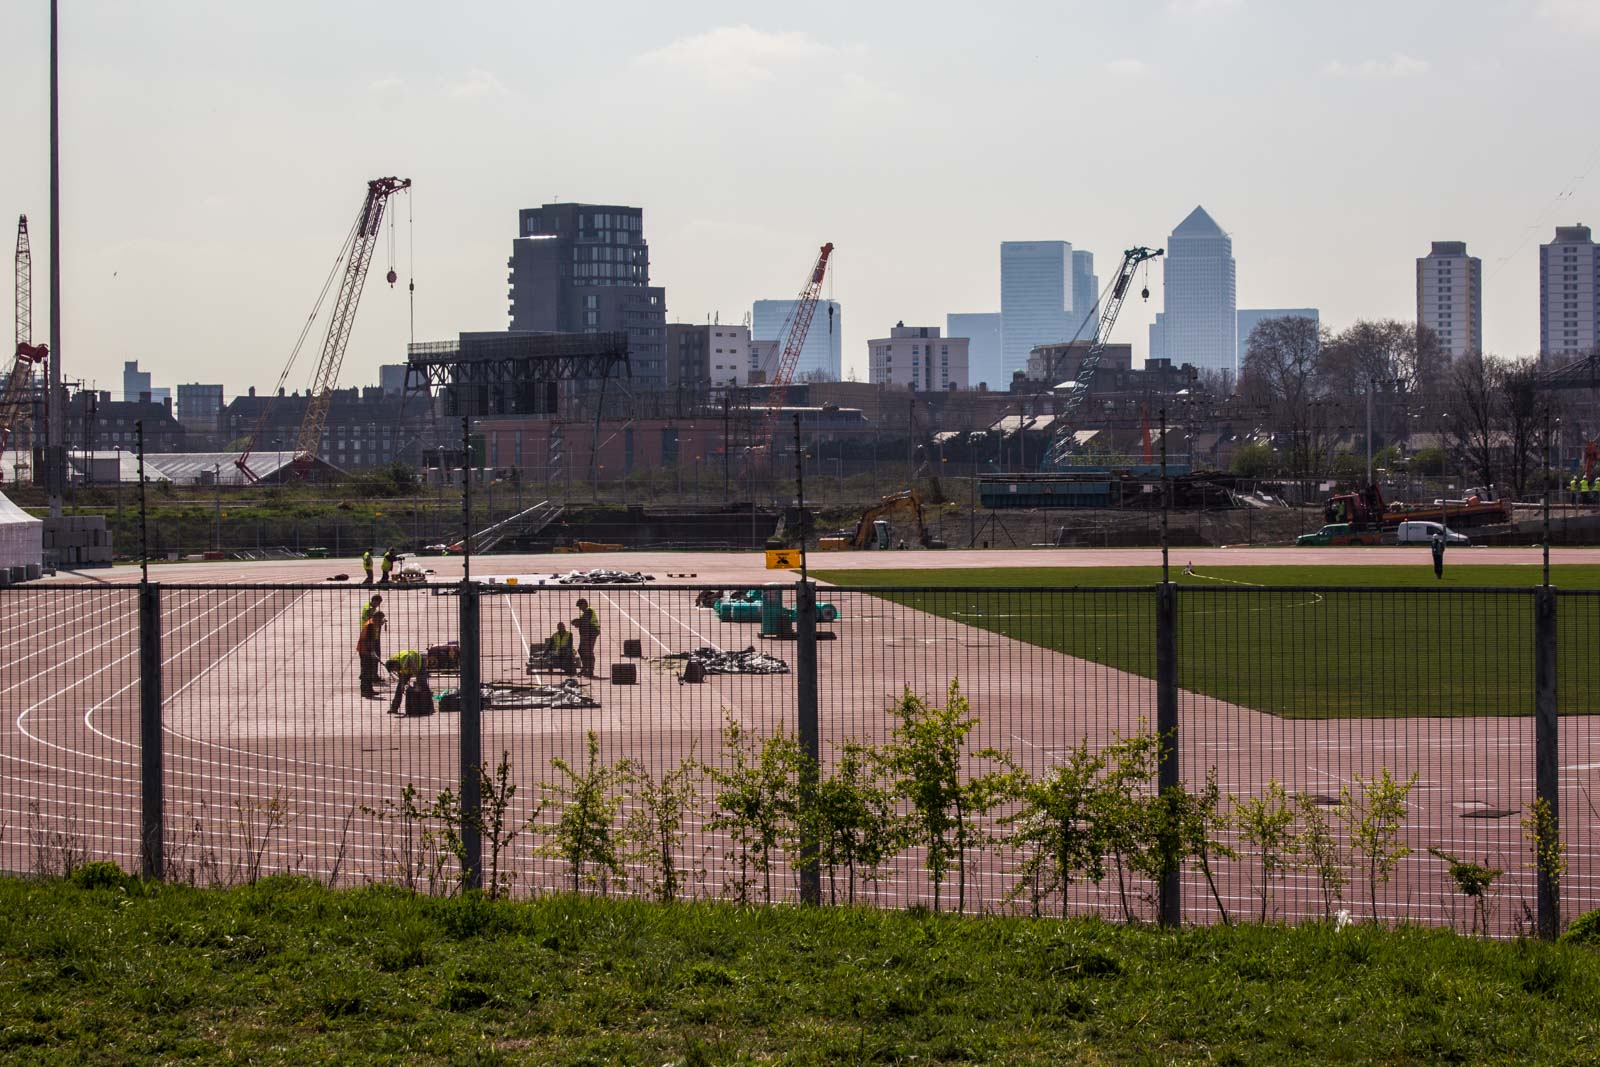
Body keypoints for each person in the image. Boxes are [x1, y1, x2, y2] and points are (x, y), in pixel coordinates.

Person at [385, 648, 429, 715]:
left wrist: (417, 682)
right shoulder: (396, 661)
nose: (395, 670)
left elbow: (416, 671)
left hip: (419, 661)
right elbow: (402, 676)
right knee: (399, 688)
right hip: (407, 668)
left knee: (422, 684)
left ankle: (427, 706)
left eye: (394, 669)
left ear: (395, 664)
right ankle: (394, 708)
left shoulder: (407, 660)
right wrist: (402, 685)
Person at [356, 611, 386, 698]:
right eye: (380, 619)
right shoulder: (370, 625)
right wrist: (372, 652)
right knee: (366, 672)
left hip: (366, 650)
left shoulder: (372, 623)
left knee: (369, 671)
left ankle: (369, 689)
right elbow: (368, 640)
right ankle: (365, 691)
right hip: (365, 651)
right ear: (376, 618)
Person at [572, 598, 601, 679]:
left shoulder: (589, 610)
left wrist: (577, 621)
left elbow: (585, 621)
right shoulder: (584, 613)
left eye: (580, 606)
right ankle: (585, 667)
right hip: (585, 634)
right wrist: (577, 622)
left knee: (588, 651)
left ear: (584, 604)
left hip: (591, 633)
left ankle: (590, 669)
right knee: (581, 650)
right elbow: (582, 622)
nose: (580, 609)